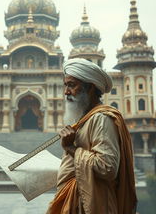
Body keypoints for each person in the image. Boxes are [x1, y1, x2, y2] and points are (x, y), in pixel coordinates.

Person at [46, 58, 137, 214]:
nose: (66, 92)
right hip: (76, 202)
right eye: (66, 85)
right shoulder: (84, 119)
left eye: (72, 85)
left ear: (90, 88)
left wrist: (70, 148)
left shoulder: (101, 118)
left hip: (92, 205)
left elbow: (107, 167)